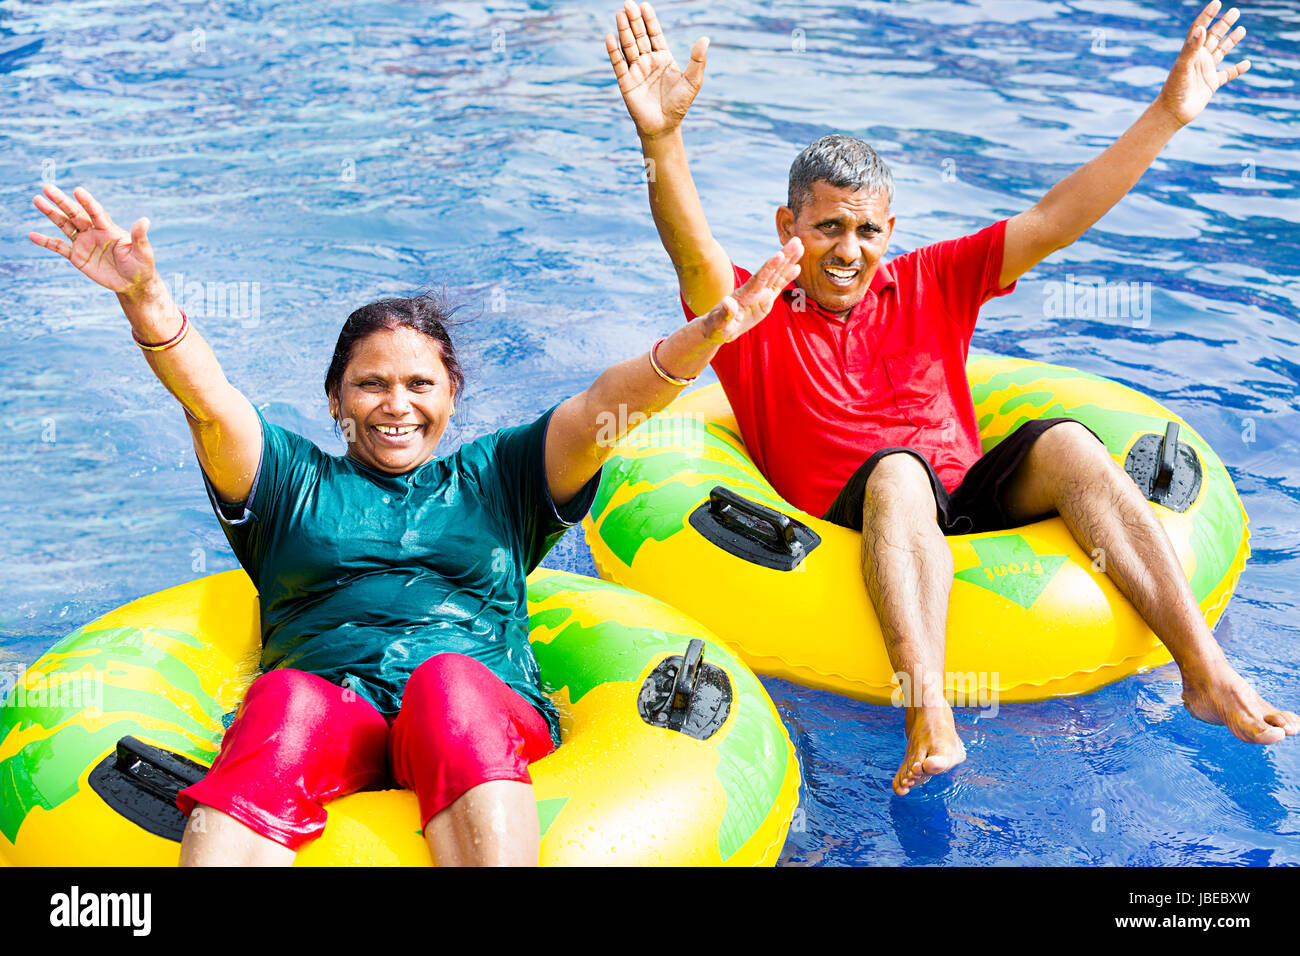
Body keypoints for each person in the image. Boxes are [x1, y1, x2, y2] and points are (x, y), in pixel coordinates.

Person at [606, 0, 1298, 796]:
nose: (848, 250)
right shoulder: (752, 312)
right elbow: (690, 246)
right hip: (851, 514)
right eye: (828, 227)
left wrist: (1168, 115)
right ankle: (929, 711)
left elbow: (1056, 219)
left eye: (866, 230)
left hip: (966, 496)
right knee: (898, 471)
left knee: (1071, 441)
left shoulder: (932, 279)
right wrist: (660, 137)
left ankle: (1206, 672)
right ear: (788, 227)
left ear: (889, 229)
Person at [27, 182, 802, 864]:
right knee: (286, 701)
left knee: (445, 688)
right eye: (371, 384)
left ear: (451, 394)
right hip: (333, 712)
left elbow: (605, 407)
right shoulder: (289, 479)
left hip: (475, 712)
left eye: (418, 383)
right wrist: (145, 299)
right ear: (335, 400)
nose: (397, 405)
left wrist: (704, 337)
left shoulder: (501, 477)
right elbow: (210, 399)